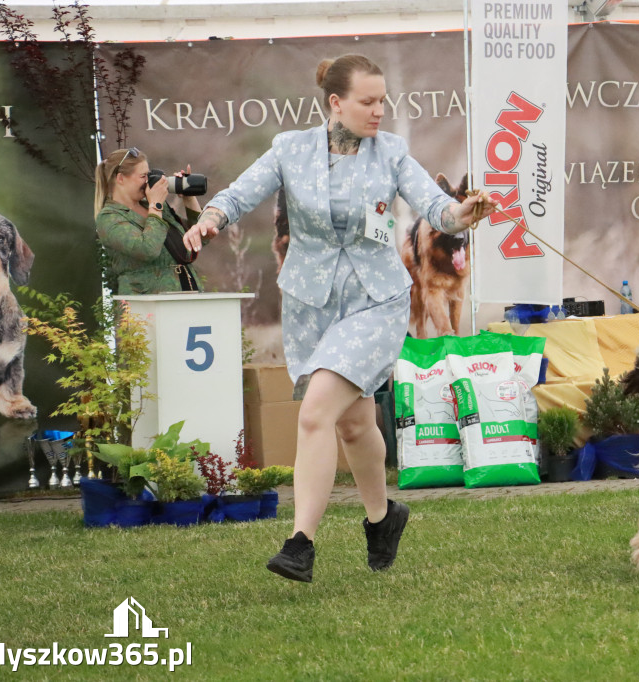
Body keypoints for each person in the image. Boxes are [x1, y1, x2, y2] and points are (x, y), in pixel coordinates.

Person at [183, 54, 498, 582]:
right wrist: (211, 218)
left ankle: (300, 541)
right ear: (336, 102)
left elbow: (437, 207)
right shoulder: (290, 149)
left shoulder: (391, 152)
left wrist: (464, 212)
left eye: (382, 101)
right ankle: (383, 517)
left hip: (376, 300)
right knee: (353, 422)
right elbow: (240, 194)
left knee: (314, 415)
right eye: (368, 101)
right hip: (311, 305)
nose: (380, 111)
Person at [95, 147, 202, 294]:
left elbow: (197, 240)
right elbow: (148, 249)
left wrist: (189, 198)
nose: (148, 182)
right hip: (145, 305)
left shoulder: (153, 207)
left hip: (185, 293)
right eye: (143, 176)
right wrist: (156, 205)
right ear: (120, 178)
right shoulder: (109, 218)